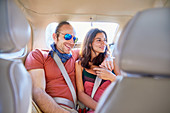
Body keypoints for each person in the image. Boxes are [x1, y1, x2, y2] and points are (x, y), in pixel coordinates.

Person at [25, 21, 114, 113]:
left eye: (74, 39)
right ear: (55, 37)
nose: (72, 42)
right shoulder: (38, 55)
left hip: (70, 109)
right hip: (46, 107)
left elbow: (95, 50)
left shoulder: (75, 55)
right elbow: (38, 91)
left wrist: (108, 57)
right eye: (67, 37)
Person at [75, 28, 121, 113]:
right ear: (89, 43)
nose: (104, 43)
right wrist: (101, 109)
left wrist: (112, 77)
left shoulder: (112, 62)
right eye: (99, 40)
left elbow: (125, 87)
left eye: (105, 40)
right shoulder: (79, 64)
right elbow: (80, 94)